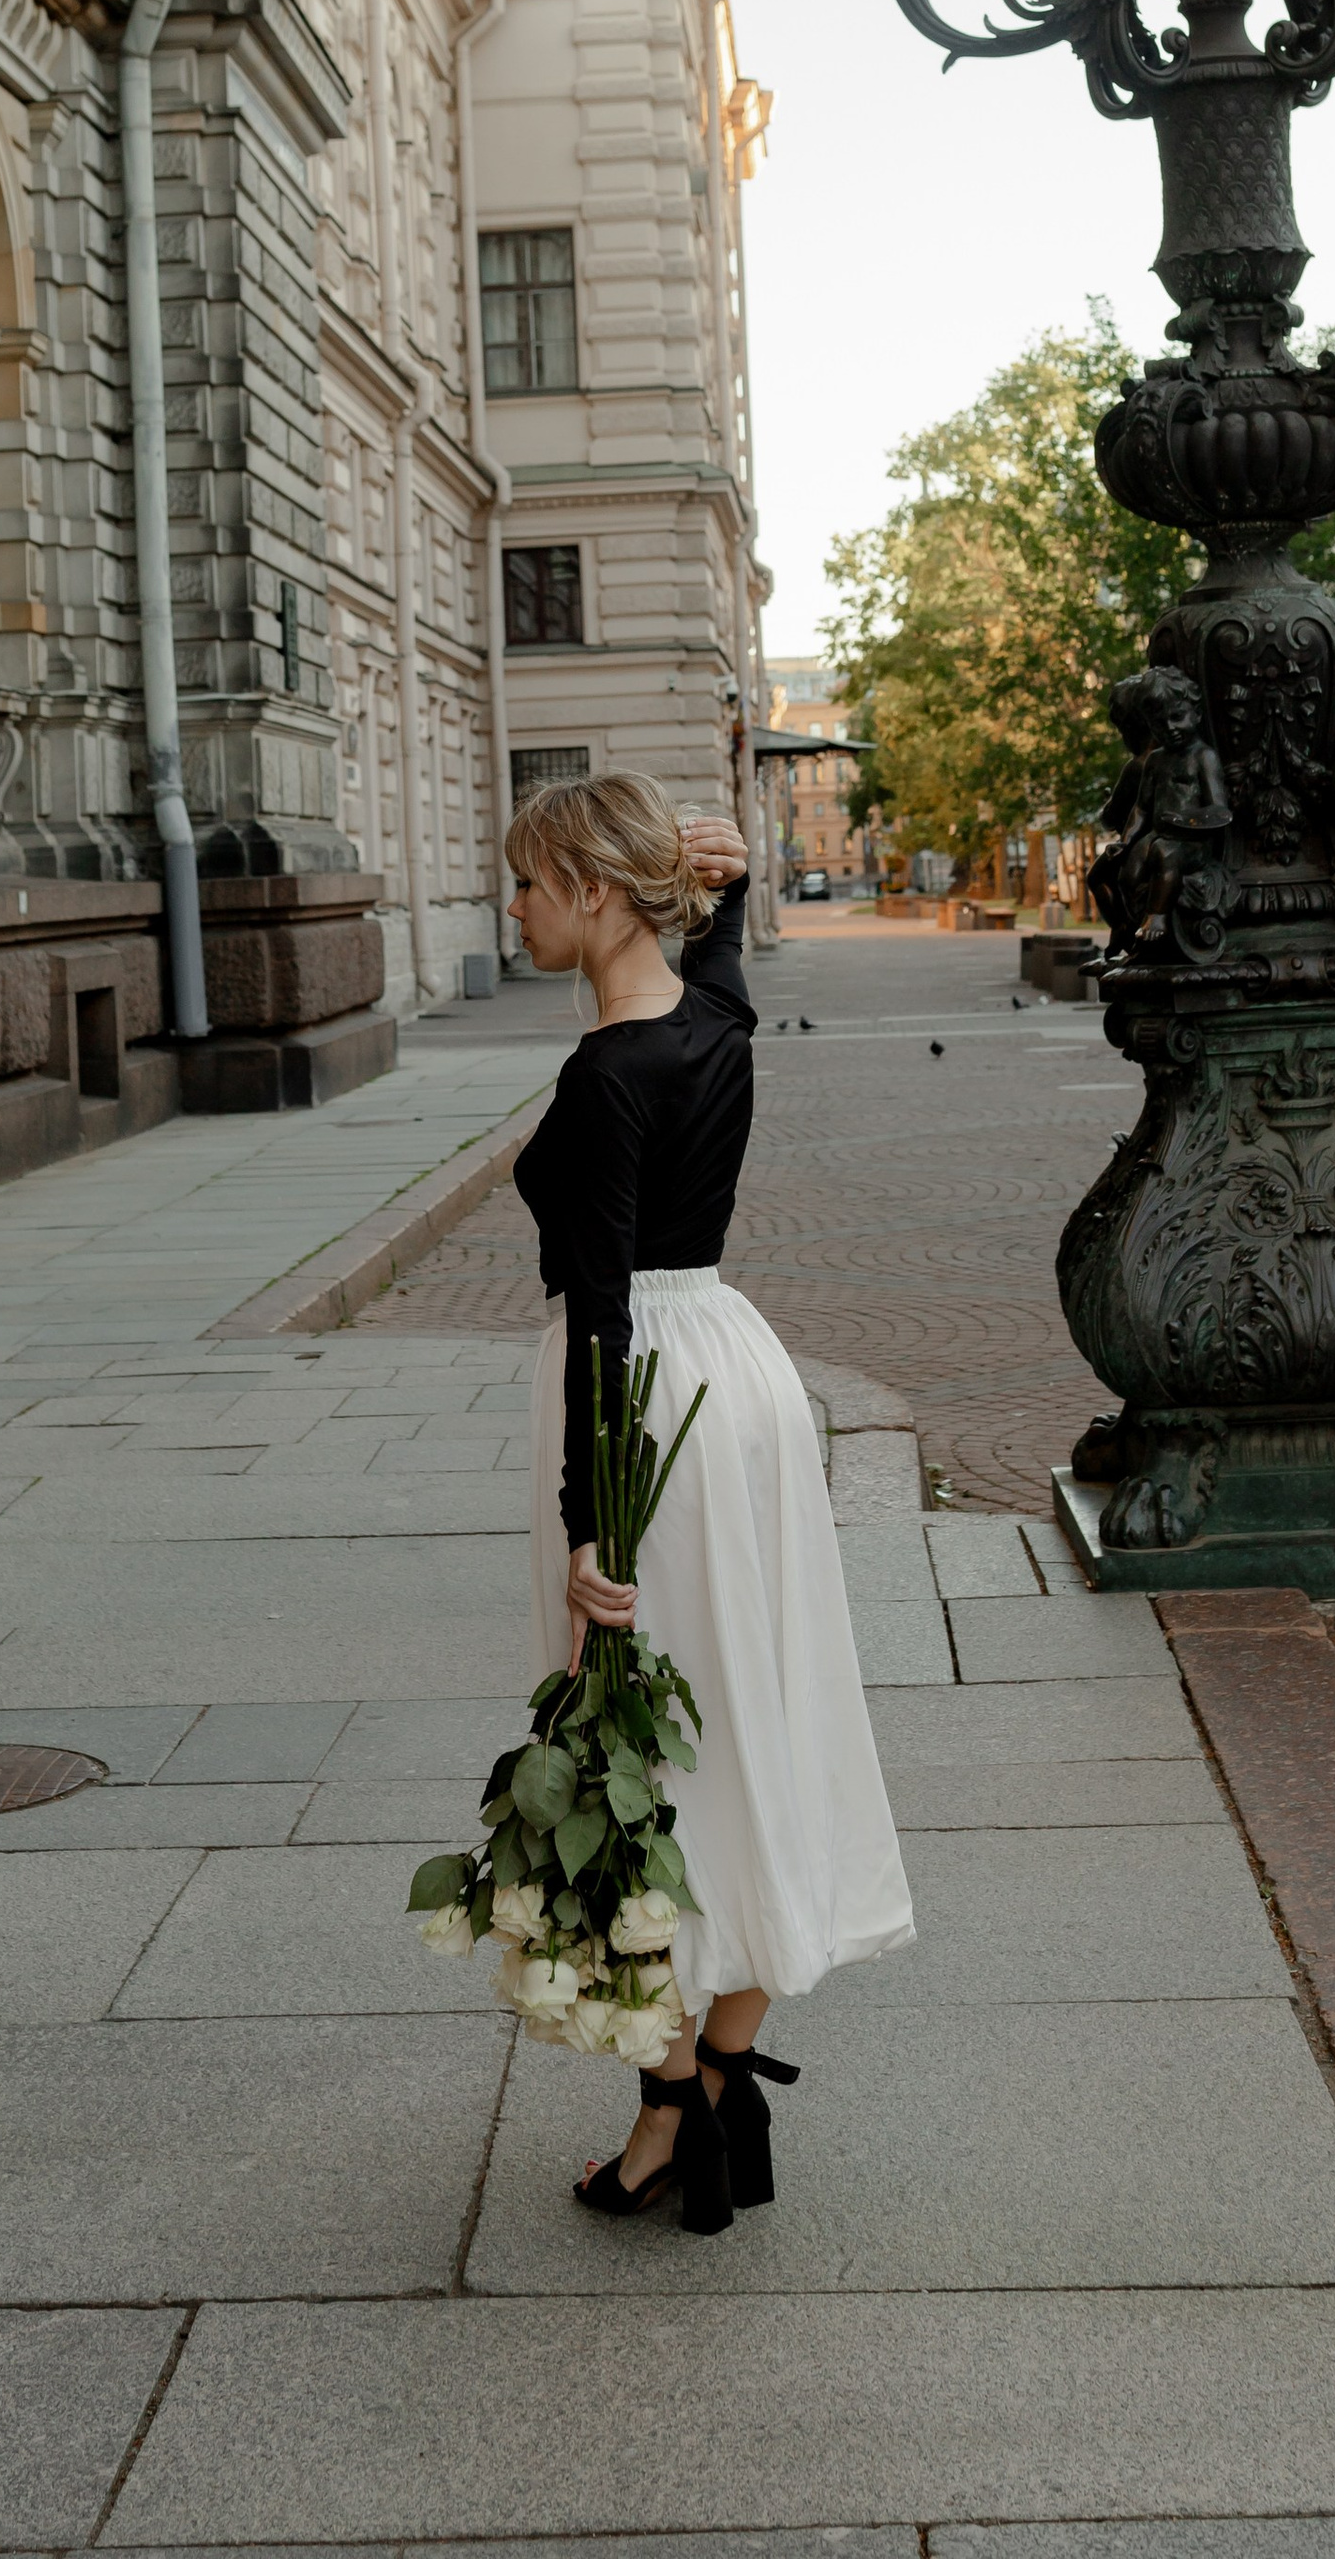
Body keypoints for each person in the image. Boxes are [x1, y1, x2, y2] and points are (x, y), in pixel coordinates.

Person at [505, 769, 914, 2233]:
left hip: (644, 1408)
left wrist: (592, 1532)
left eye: (534, 885)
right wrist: (731, 883)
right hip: (738, 1374)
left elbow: (601, 1309)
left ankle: (672, 2113)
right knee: (746, 1721)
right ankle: (720, 2082)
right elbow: (724, 948)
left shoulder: (608, 1076)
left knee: (651, 1748)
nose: (519, 906)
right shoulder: (715, 1020)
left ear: (600, 894)